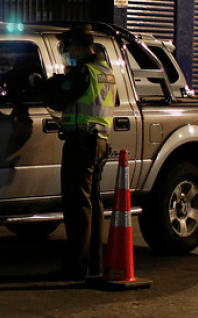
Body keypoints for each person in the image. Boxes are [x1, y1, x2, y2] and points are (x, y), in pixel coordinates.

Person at [44, 25, 116, 281]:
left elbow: (58, 98)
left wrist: (42, 83)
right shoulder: (106, 71)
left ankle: (76, 267)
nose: (68, 53)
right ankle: (93, 264)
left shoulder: (83, 72)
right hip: (99, 143)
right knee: (93, 206)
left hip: (81, 144)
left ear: (77, 45)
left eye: (68, 47)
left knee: (77, 207)